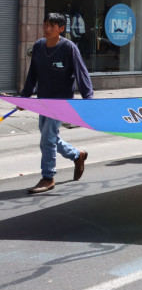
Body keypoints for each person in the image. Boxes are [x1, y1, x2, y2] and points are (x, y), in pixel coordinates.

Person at [19, 13, 93, 194]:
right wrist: (24, 97)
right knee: (48, 137)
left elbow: (81, 72)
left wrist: (88, 99)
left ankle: (48, 177)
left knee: (47, 139)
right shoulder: (38, 46)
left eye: (52, 25)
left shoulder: (69, 47)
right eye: (45, 25)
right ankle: (77, 155)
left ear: (61, 29)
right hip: (43, 99)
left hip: (61, 102)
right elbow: (32, 74)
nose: (47, 28)